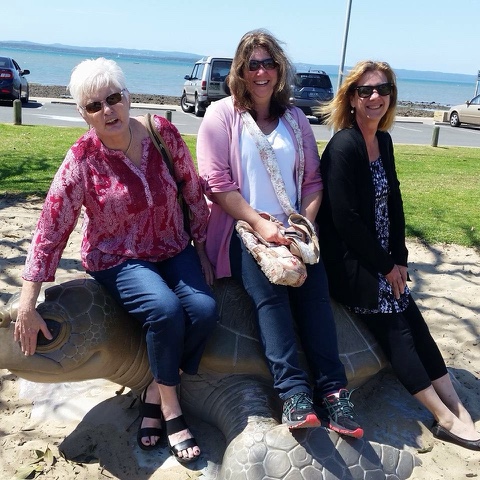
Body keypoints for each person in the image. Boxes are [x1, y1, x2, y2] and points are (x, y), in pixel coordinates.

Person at [14, 57, 219, 463]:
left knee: (204, 309)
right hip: (119, 257)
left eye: (113, 98)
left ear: (127, 96)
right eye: (95, 106)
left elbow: (192, 190)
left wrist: (202, 246)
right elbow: (51, 226)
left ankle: (154, 388)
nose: (107, 110)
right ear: (83, 114)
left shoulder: (161, 133)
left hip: (174, 245)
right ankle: (170, 409)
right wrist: (27, 302)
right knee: (164, 310)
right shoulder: (81, 160)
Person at [196, 29, 363, 438]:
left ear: (279, 69)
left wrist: (303, 224)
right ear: (240, 71)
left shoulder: (295, 119)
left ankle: (334, 391)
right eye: (252, 64)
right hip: (243, 229)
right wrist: (260, 225)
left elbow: (312, 182)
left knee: (314, 290)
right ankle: (293, 393)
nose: (261, 72)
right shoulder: (221, 116)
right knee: (270, 292)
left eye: (269, 63)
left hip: (292, 228)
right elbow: (217, 185)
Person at [317, 60, 480, 451]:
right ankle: (443, 419)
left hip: (383, 259)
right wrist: (386, 266)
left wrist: (401, 259)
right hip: (351, 264)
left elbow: (395, 202)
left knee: (416, 322)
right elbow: (345, 221)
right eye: (366, 90)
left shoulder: (383, 141)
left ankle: (456, 406)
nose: (375, 97)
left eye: (383, 89)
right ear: (351, 98)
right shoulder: (344, 146)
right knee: (398, 333)